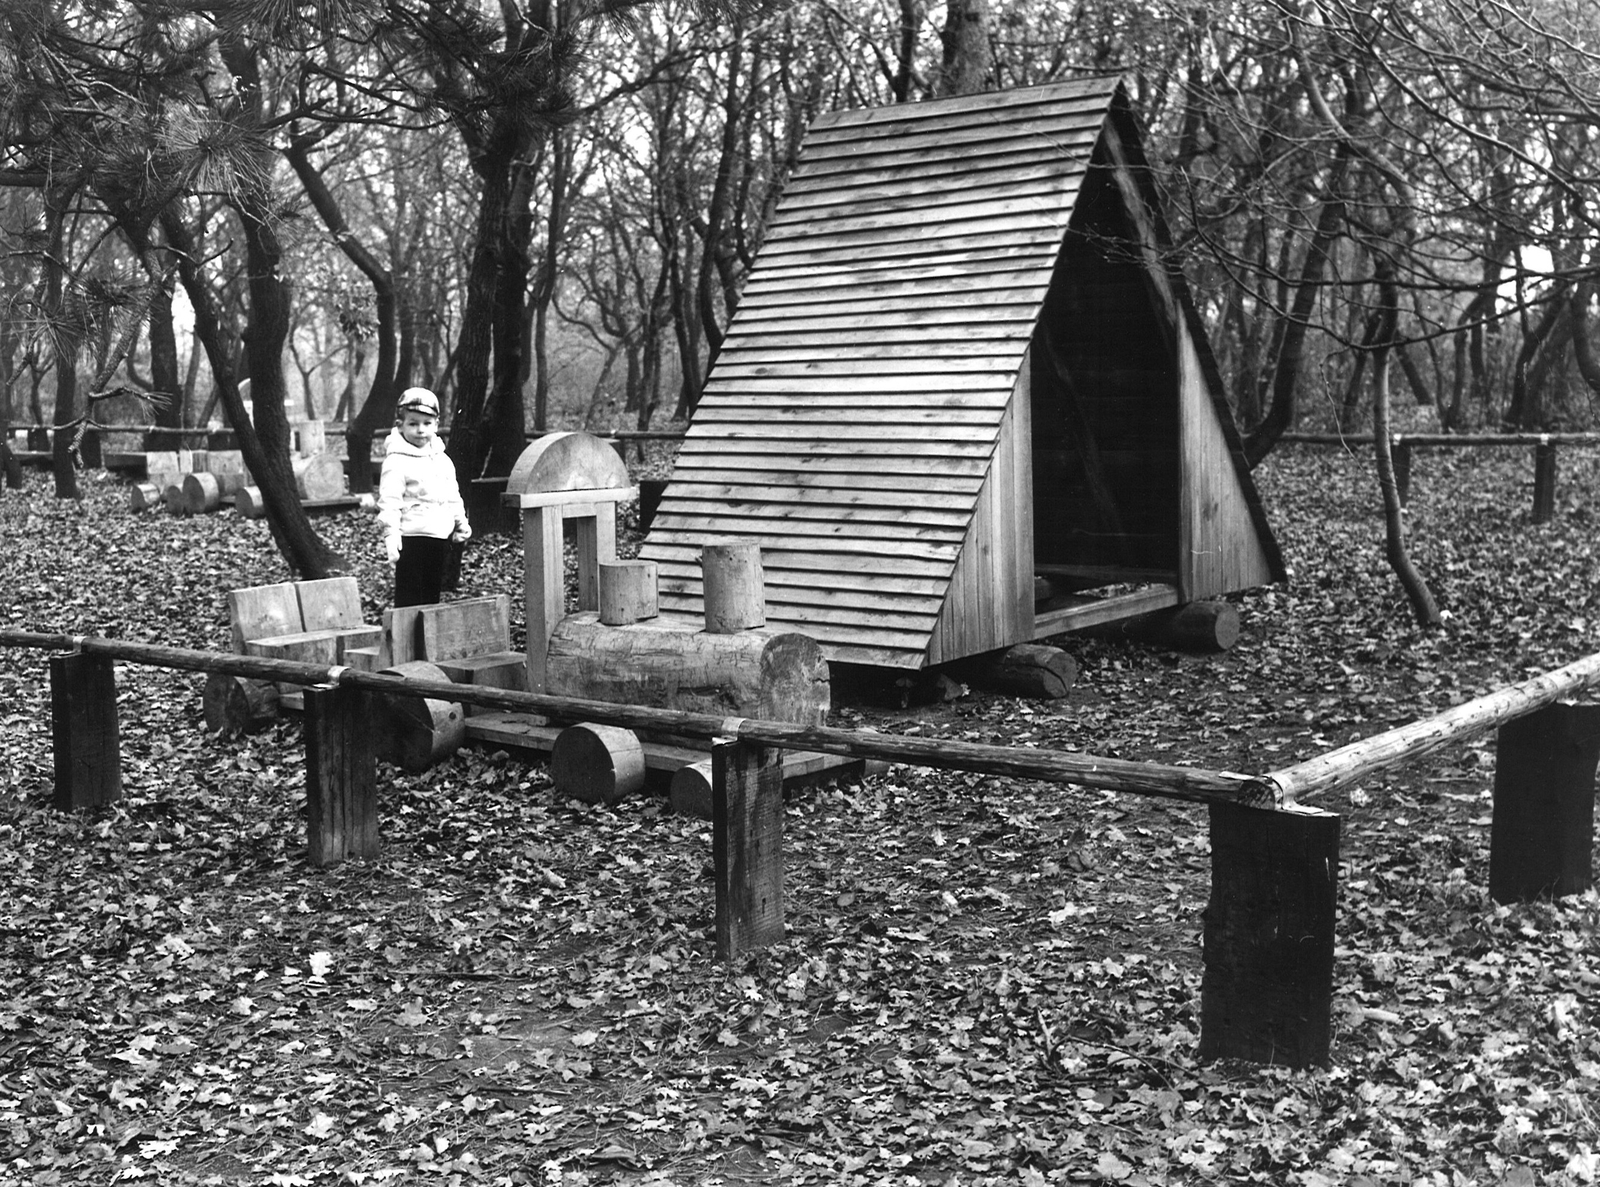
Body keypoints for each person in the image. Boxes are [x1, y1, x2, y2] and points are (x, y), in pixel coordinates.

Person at [377, 387, 471, 607]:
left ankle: (425, 639)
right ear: (400, 425)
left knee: (430, 596)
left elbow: (452, 495)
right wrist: (391, 534)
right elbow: (389, 502)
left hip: (439, 537)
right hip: (411, 538)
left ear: (436, 425)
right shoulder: (396, 461)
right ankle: (404, 640)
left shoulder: (442, 460)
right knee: (409, 597)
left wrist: (460, 522)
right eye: (413, 423)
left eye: (427, 423)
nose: (420, 430)